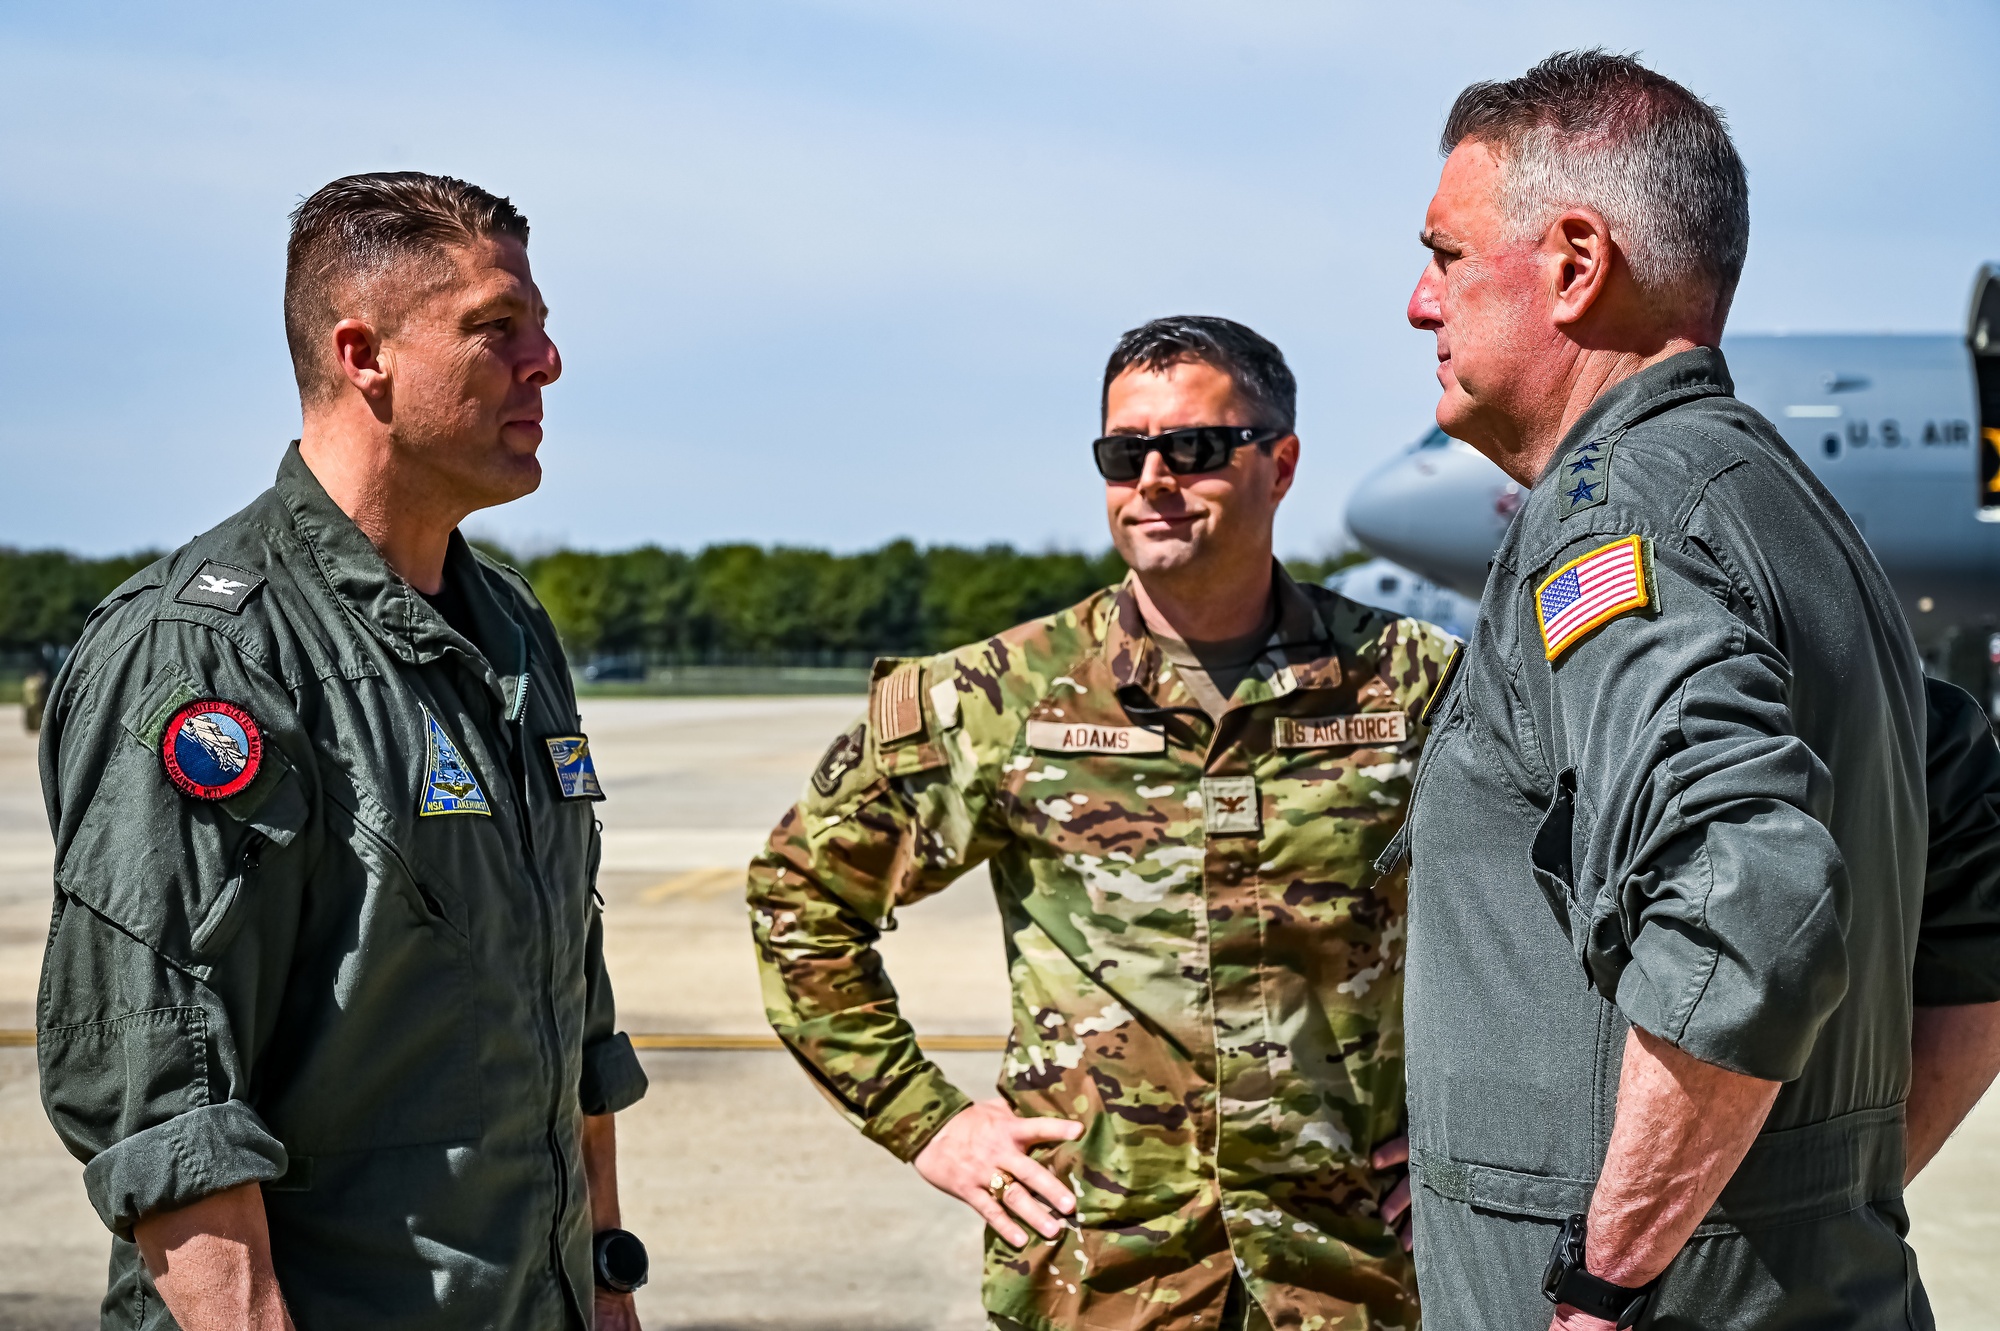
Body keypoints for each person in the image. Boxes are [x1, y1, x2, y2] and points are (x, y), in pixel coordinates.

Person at [1392, 51, 2000, 1330]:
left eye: (1446, 256)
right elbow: (1977, 885)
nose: (1415, 301)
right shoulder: (1784, 512)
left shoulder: (1616, 525)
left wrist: (1604, 1278)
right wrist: (1815, 1193)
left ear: (1572, 261)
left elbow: (1747, 905)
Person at [747, 316, 1457, 1331]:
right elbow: (799, 894)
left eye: (1195, 448)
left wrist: (1477, 1131)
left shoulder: (1411, 682)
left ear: (1281, 463)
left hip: (1349, 1274)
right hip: (1103, 1277)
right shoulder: (1000, 696)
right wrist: (929, 1124)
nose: (1154, 479)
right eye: (1124, 454)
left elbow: (1545, 919)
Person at [36, 173, 650, 1331]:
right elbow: (169, 1101)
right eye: (495, 328)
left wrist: (606, 1286)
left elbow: (574, 1016)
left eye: (543, 325)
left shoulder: (509, 625)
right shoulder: (208, 652)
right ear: (363, 353)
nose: (548, 362)